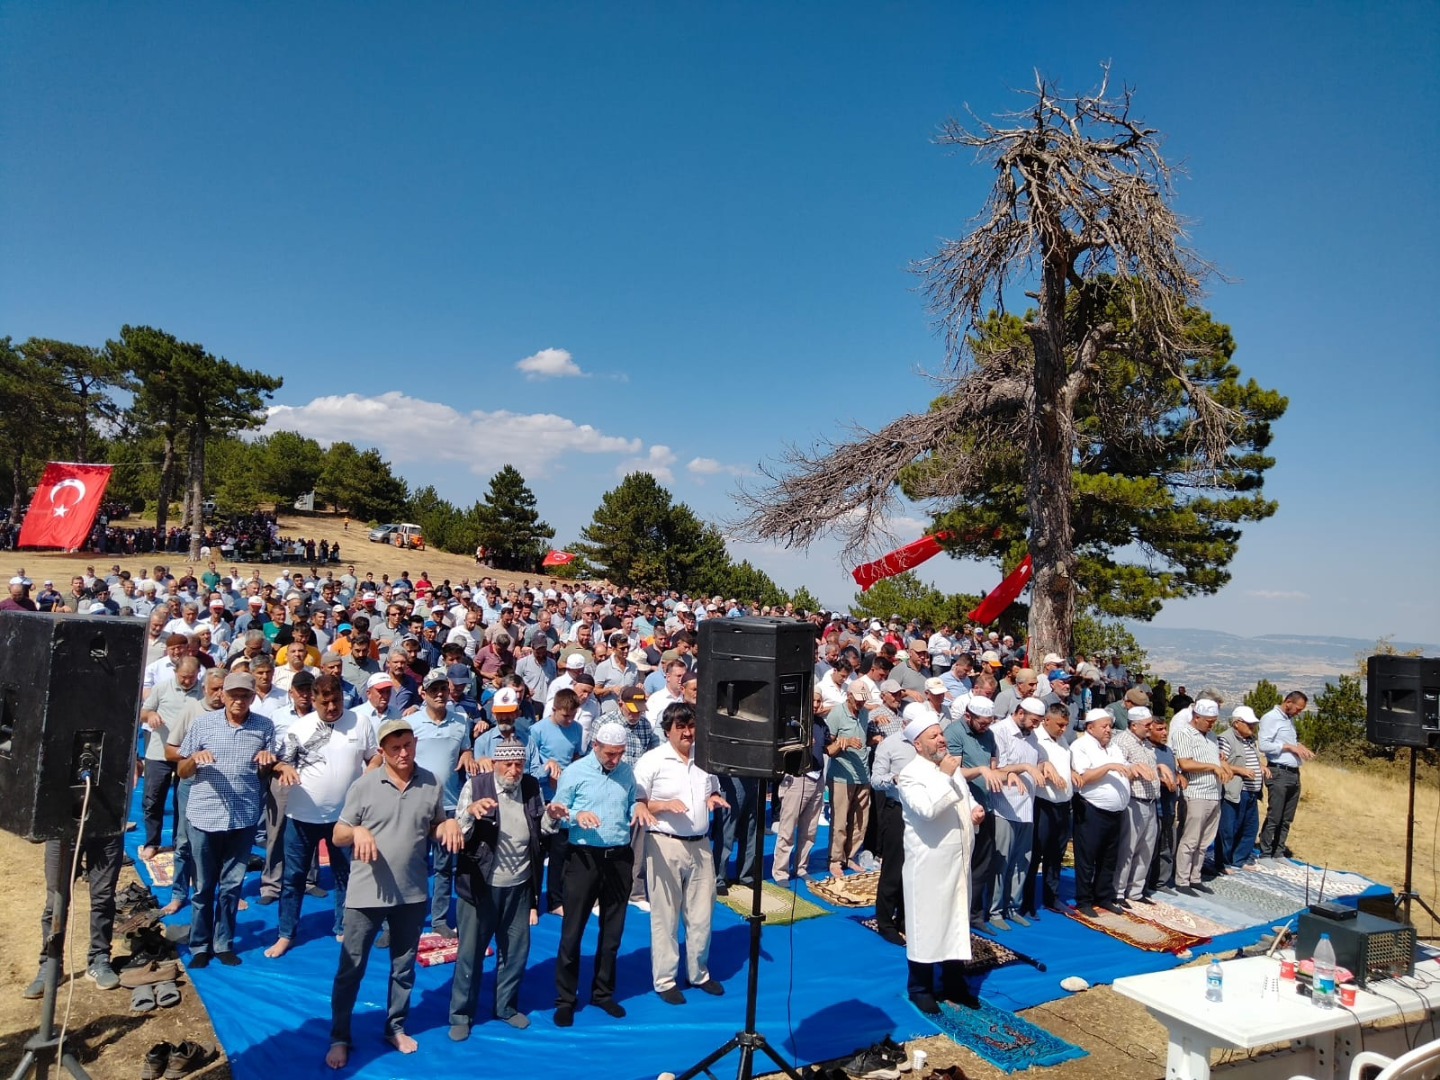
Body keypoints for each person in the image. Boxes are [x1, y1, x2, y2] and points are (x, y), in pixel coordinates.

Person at [326, 719, 463, 1067]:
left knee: (403, 968)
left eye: (407, 746)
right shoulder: (365, 786)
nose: (403, 754)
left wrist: (445, 823)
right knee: (351, 969)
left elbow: (433, 826)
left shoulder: (431, 783)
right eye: (394, 748)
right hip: (365, 894)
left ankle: (395, 1026)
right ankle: (340, 1035)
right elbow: (338, 833)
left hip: (412, 893)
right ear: (382, 751)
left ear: (415, 743)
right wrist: (357, 831)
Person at [264, 674, 377, 958]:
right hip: (301, 816)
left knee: (344, 874)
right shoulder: (299, 728)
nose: (331, 707)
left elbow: (374, 756)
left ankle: (342, 925)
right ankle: (285, 934)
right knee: (293, 878)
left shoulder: (360, 722)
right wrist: (282, 769)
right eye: (324, 702)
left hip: (344, 819)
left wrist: (371, 771)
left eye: (336, 701)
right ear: (313, 700)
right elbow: (279, 763)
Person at [177, 671, 279, 967]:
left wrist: (266, 763)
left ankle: (223, 943)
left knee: (232, 886)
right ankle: (199, 946)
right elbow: (182, 770)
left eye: (245, 695)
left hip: (243, 818)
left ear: (253, 697)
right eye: (233, 694)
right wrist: (194, 760)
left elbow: (264, 772)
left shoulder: (264, 728)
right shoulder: (203, 724)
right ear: (223, 695)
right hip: (205, 815)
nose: (238, 700)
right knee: (204, 886)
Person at [633, 703, 729, 1004]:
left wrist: (713, 798)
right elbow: (637, 803)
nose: (688, 733)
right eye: (681, 728)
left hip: (700, 844)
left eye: (691, 727)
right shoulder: (651, 761)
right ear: (667, 731)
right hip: (665, 843)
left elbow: (711, 789)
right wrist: (663, 805)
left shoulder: (704, 758)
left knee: (702, 915)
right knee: (666, 914)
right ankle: (664, 980)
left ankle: (698, 972)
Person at [448, 739, 545, 1038]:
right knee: (470, 953)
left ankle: (505, 1006)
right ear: (496, 763)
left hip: (519, 887)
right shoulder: (475, 787)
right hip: (481, 887)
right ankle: (461, 1015)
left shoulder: (531, 787)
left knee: (516, 952)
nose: (514, 770)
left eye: (519, 764)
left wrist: (553, 819)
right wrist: (470, 813)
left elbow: (541, 831)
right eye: (508, 764)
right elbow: (458, 834)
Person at [546, 720, 639, 1026]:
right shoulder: (574, 773)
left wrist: (639, 809)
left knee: (612, 933)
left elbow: (628, 807)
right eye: (610, 753)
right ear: (595, 747)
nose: (615, 760)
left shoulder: (626, 773)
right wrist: (573, 814)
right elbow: (555, 813)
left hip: (619, 859)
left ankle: (602, 993)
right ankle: (565, 999)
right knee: (573, 932)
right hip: (584, 859)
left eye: (620, 754)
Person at [894, 713, 984, 1015]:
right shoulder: (909, 774)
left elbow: (964, 797)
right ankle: (920, 988)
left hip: (957, 860)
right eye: (933, 736)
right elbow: (927, 809)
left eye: (941, 734)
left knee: (956, 921)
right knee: (928, 925)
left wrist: (975, 810)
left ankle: (954, 983)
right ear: (918, 745)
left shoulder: (950, 767)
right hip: (929, 865)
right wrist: (945, 775)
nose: (941, 739)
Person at [987, 697, 1058, 929]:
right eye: (1034, 721)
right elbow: (997, 769)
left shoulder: (1032, 734)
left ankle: (1012, 907)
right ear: (1019, 713)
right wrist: (1026, 768)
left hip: (1027, 806)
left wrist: (1044, 764)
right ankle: (995, 911)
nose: (1036, 726)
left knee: (1022, 861)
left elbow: (1038, 757)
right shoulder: (1000, 732)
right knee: (1002, 862)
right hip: (1004, 807)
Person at [1172, 698, 1246, 894]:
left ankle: (1195, 876)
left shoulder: (1211, 737)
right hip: (1196, 792)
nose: (1212, 725)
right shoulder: (1184, 733)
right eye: (1209, 721)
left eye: (1214, 721)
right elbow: (1186, 763)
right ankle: (1181, 879)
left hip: (1214, 792)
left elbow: (1216, 759)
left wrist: (1224, 768)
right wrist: (1213, 767)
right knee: (1190, 839)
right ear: (1197, 717)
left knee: (1205, 840)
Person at [1068, 709, 1132, 917]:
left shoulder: (1113, 746)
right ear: (1090, 727)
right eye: (1103, 726)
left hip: (1116, 811)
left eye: (1110, 726)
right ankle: (1084, 899)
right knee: (1087, 857)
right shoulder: (1081, 746)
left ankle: (1103, 896)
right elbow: (1084, 777)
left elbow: (1123, 767)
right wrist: (1108, 767)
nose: (1108, 730)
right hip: (1092, 809)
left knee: (1108, 857)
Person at [137, 655, 203, 861]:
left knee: (184, 801)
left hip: (188, 755)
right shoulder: (162, 688)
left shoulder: (203, 691)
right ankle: (152, 841)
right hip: (159, 751)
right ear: (176, 673)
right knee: (153, 798)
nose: (187, 681)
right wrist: (151, 716)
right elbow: (143, 712)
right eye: (183, 677)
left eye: (191, 677)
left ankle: (180, 842)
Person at [870, 704, 918, 945]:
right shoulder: (889, 745)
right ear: (905, 723)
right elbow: (876, 780)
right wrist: (894, 778)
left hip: (920, 813)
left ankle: (905, 916)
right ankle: (885, 921)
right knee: (894, 868)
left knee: (914, 869)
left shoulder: (927, 745)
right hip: (897, 810)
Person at [1022, 701, 1073, 916]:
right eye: (1060, 725)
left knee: (1056, 854)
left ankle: (1052, 897)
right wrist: (1044, 774)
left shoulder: (1063, 742)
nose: (1063, 729)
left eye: (1066, 725)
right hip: (1043, 804)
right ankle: (1027, 901)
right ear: (1047, 720)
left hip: (1063, 805)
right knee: (1036, 855)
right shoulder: (1036, 741)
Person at [1111, 706, 1165, 905]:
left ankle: (1136, 890)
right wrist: (1133, 770)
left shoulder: (1146, 745)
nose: (1150, 729)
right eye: (1147, 725)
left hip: (1150, 801)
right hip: (1134, 801)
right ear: (1134, 726)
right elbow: (1119, 769)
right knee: (1128, 848)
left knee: (1146, 848)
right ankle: (1118, 891)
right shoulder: (1122, 743)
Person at [772, 709, 830, 885]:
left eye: (819, 701)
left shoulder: (820, 723)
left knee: (810, 829)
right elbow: (780, 748)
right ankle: (780, 872)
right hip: (798, 779)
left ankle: (801, 867)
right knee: (788, 829)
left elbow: (828, 744)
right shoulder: (792, 722)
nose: (817, 705)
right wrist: (800, 744)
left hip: (818, 778)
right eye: (813, 700)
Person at [1256, 691, 1313, 859]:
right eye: (1298, 708)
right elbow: (1264, 745)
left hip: (1293, 773)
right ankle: (1266, 852)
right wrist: (1288, 747)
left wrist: (1299, 747)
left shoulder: (1289, 720)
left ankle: (1279, 852)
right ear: (1288, 702)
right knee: (1275, 815)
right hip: (1278, 771)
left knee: (1287, 817)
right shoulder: (1271, 718)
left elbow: (1288, 742)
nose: (1299, 712)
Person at [825, 682, 872, 877]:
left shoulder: (864, 714)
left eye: (863, 700)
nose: (861, 703)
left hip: (863, 774)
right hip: (841, 776)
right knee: (840, 821)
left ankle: (850, 856)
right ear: (849, 696)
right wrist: (844, 744)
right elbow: (828, 748)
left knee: (861, 821)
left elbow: (864, 738)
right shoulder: (837, 714)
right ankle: (836, 859)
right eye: (858, 700)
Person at [1218, 705, 1267, 870]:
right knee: (1229, 828)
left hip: (1252, 792)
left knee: (1250, 828)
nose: (1252, 727)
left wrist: (1261, 766)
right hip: (1236, 790)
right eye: (1249, 724)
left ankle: (1239, 860)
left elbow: (1251, 757)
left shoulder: (1251, 740)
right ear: (1237, 723)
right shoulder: (1226, 739)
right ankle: (1224, 861)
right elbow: (1220, 763)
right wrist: (1241, 771)